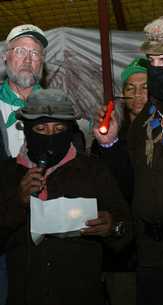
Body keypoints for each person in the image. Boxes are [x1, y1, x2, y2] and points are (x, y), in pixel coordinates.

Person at [97, 13, 163, 305]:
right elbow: (130, 180)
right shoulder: (147, 116)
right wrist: (110, 144)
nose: (156, 70)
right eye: (152, 62)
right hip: (150, 258)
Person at [0, 88, 132, 305]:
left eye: (59, 128)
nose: (50, 136)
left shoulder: (92, 170)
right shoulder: (7, 173)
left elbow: (127, 229)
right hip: (25, 294)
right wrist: (18, 202)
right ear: (26, 129)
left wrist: (112, 227)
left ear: (70, 129)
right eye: (41, 129)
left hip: (81, 294)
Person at [92, 57, 148, 305]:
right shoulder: (109, 137)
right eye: (130, 88)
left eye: (145, 86)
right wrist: (109, 144)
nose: (138, 94)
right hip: (122, 253)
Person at [0, 23, 48, 305]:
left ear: (42, 62)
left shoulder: (58, 106)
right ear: (6, 57)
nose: (28, 58)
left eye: (36, 53)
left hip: (46, 232)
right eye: (21, 51)